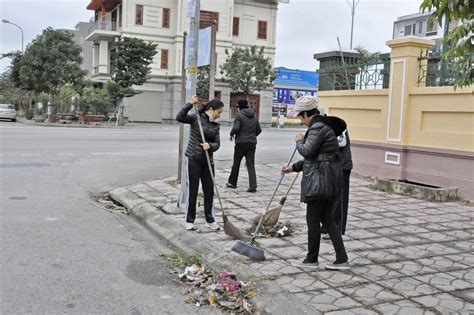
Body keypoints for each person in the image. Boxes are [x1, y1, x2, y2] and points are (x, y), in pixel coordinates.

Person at [282, 95, 350, 270]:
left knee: (312, 220)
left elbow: (307, 151)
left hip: (320, 182)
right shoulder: (325, 127)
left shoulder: (317, 128)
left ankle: (312, 259)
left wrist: (299, 140)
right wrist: (294, 168)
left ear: (306, 113)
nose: (299, 119)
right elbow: (317, 158)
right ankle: (342, 259)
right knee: (327, 219)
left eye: (299, 116)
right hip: (329, 179)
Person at [176, 96, 224, 231]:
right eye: (218, 112)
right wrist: (190, 104)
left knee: (209, 191)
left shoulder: (215, 125)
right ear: (211, 109)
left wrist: (210, 146)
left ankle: (210, 219)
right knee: (193, 191)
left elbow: (217, 144)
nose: (219, 116)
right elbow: (179, 117)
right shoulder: (195, 117)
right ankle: (189, 220)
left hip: (208, 161)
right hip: (194, 158)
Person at [322, 126, 353, 239]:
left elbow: (341, 143)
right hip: (332, 166)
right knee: (329, 198)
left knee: (340, 200)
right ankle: (327, 227)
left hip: (342, 166)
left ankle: (338, 229)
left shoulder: (339, 127)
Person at [226, 99, 262, 193]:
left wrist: (231, 134)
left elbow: (236, 128)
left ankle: (232, 183)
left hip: (241, 143)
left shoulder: (239, 115)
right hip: (252, 143)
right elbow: (259, 130)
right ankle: (253, 186)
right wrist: (252, 136)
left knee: (236, 163)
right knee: (251, 165)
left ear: (240, 107)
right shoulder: (254, 115)